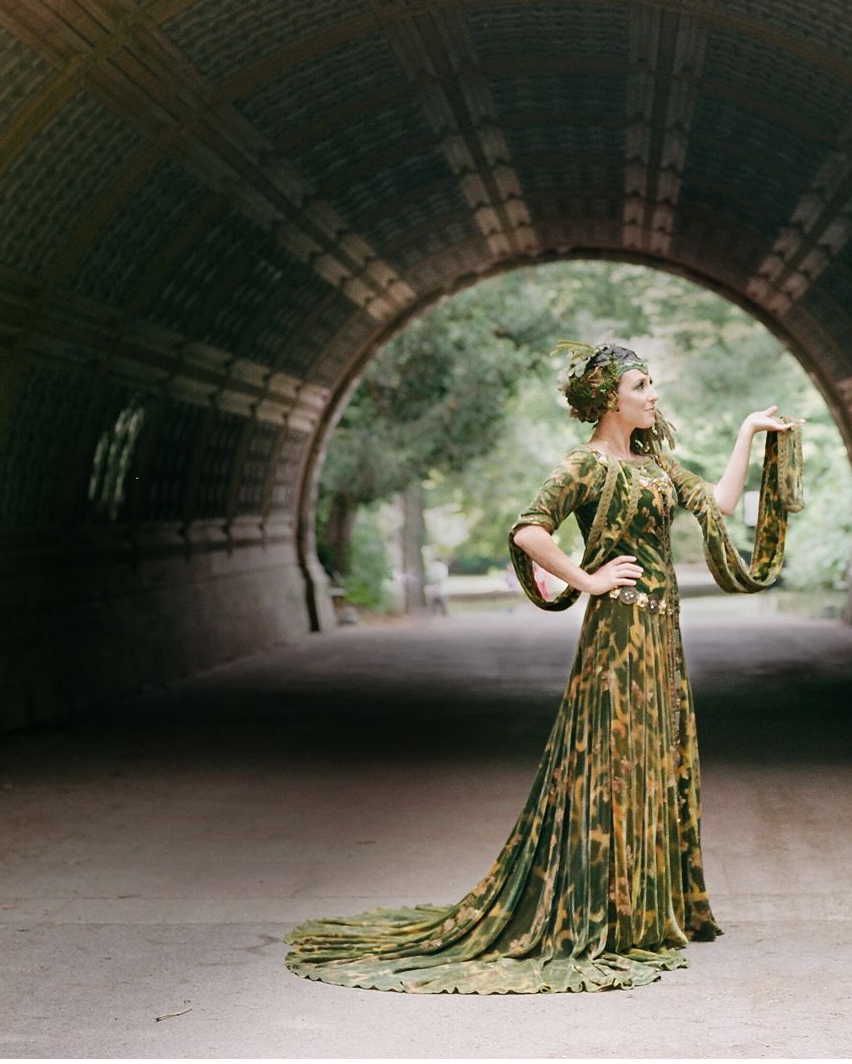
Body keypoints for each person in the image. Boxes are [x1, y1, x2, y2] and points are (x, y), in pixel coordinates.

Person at [283, 340, 803, 994]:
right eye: (642, 386)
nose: (653, 396)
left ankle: (642, 910)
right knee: (615, 762)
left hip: (661, 634)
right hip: (618, 635)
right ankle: (607, 911)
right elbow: (530, 530)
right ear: (611, 398)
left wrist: (748, 432)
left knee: (652, 757)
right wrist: (588, 579)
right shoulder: (584, 465)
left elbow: (720, 503)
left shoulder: (655, 462)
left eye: (651, 385)